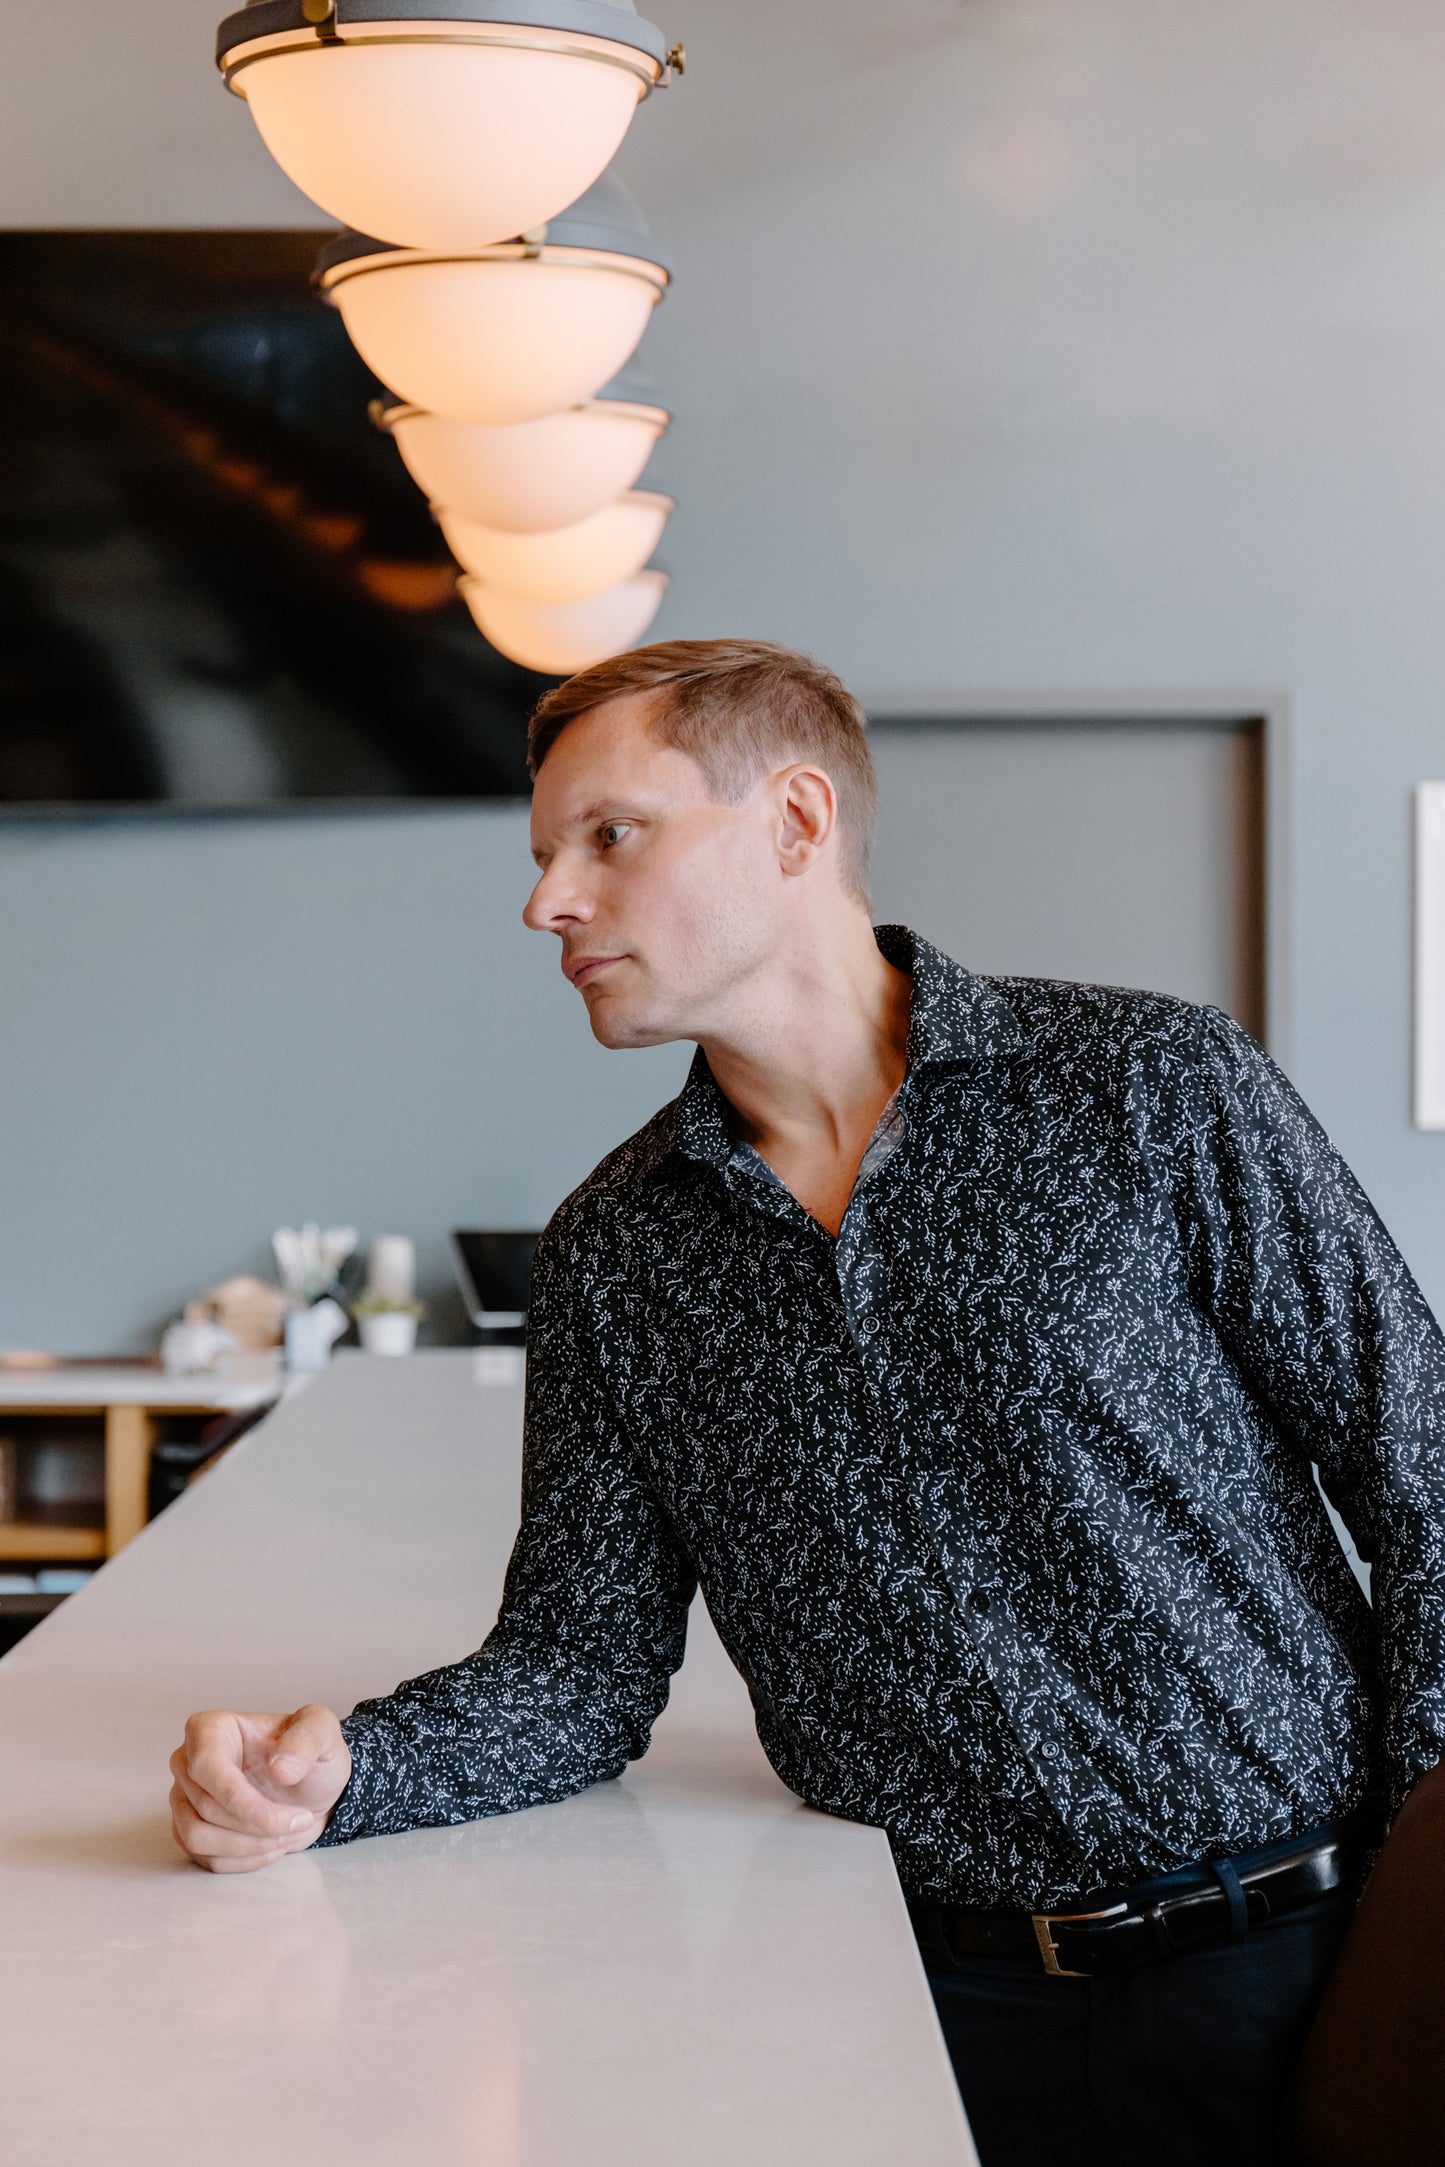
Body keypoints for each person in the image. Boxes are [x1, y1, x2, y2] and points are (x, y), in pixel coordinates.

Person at [169, 640, 1445, 2167]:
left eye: (609, 836)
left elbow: (1420, 1467)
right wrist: (347, 1774)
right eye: (544, 854)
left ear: (792, 822)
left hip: (1306, 1955)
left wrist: (1424, 1882)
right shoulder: (618, 1252)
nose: (547, 901)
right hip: (924, 2003)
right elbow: (576, 1670)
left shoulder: (1151, 1089)